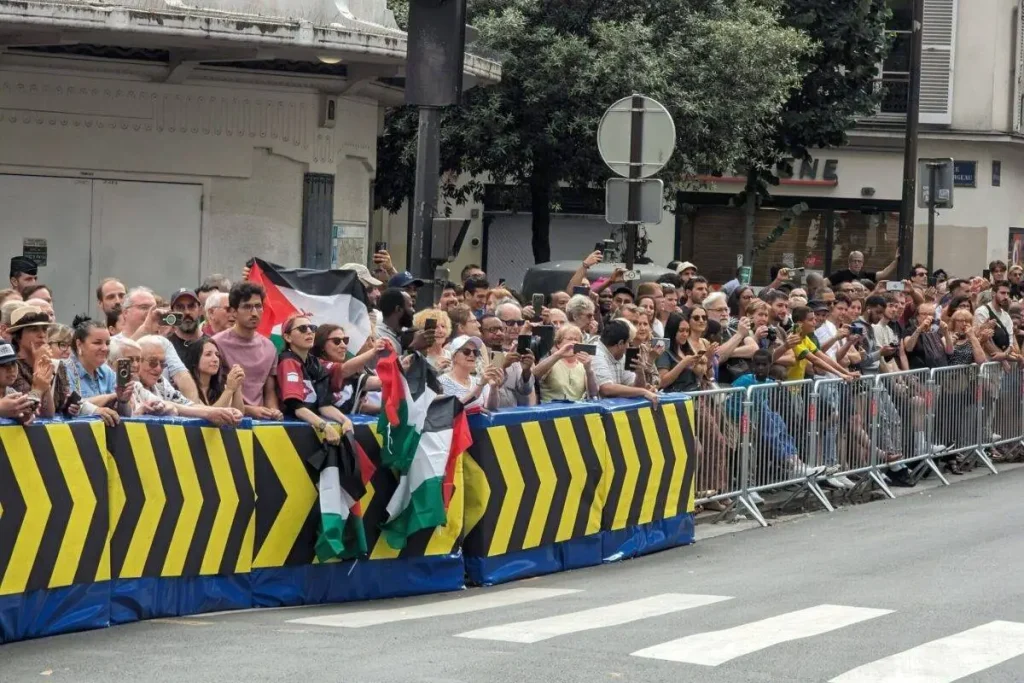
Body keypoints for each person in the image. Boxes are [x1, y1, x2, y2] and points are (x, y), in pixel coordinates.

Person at [274, 314, 354, 442]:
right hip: (290, 431)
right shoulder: (288, 361)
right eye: (303, 328)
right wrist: (324, 426)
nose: (310, 331)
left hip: (311, 427)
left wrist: (345, 420)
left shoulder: (315, 363)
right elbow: (295, 406)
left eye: (312, 328)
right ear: (288, 337)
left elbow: (324, 405)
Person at [134, 336, 242, 425]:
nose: (158, 369)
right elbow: (163, 404)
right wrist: (211, 412)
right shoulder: (131, 383)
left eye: (162, 364)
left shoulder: (160, 382)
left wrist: (226, 412)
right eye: (152, 362)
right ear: (137, 361)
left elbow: (188, 405)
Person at [213, 281, 283, 420]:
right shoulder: (216, 343)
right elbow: (212, 393)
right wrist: (249, 410)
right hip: (225, 421)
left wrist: (274, 411)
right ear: (233, 312)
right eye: (247, 307)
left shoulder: (269, 347)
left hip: (261, 424)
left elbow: (269, 392)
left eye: (258, 306)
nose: (254, 313)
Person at [117, 286, 199, 401]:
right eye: (144, 307)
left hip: (163, 405)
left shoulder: (162, 342)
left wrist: (194, 408)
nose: (151, 313)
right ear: (125, 313)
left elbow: (182, 376)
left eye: (153, 308)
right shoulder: (112, 342)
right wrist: (145, 328)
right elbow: (119, 356)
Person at [312, 324, 384, 414]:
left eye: (345, 341)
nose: (344, 346)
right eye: (336, 341)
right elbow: (343, 370)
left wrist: (401, 368)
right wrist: (374, 351)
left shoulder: (350, 370)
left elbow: (379, 382)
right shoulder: (315, 365)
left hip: (346, 426)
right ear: (322, 345)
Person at [63, 316, 123, 425]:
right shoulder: (64, 369)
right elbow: (71, 405)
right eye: (97, 343)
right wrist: (108, 398)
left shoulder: (107, 372)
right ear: (79, 344)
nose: (105, 348)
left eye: (107, 343)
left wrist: (124, 400)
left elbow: (124, 412)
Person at [591, 320, 656, 402]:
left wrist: (639, 373)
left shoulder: (621, 356)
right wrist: (643, 391)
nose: (629, 347)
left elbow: (635, 388)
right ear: (620, 343)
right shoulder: (596, 353)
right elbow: (606, 389)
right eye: (628, 342)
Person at [533, 323, 598, 402]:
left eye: (576, 340)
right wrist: (558, 355)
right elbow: (534, 375)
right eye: (570, 339)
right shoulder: (551, 361)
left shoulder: (583, 364)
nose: (574, 342)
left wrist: (589, 370)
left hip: (577, 409)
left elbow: (593, 393)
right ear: (558, 343)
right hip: (551, 409)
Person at [438, 335, 502, 410]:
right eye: (466, 351)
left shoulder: (479, 380)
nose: (472, 355)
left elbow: (492, 408)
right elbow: (453, 408)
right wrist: (480, 386)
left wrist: (494, 388)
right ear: (454, 356)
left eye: (475, 352)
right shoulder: (441, 382)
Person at [493, 301, 537, 407]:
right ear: (498, 322)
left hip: (516, 414)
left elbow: (526, 390)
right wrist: (503, 364)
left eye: (520, 322)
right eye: (510, 323)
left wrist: (526, 372)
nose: (516, 327)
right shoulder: (488, 348)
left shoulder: (521, 349)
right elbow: (489, 385)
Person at [184, 338, 244, 409]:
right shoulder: (185, 388)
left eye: (217, 355)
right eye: (208, 354)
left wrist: (237, 386)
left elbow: (239, 414)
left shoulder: (222, 386)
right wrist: (229, 389)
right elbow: (209, 416)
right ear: (194, 360)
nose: (215, 359)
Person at [0, 341, 40, 424]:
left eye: (13, 363)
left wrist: (26, 414)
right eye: (3, 364)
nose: (11, 369)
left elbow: (49, 413)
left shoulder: (10, 392)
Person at [827, 250, 898, 288]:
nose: (857, 263)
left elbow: (883, 274)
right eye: (854, 261)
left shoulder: (865, 275)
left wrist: (896, 261)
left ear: (862, 263)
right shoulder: (840, 274)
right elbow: (823, 283)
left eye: (859, 261)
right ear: (849, 262)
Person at [167, 288, 205, 360]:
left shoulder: (211, 345)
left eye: (191, 306)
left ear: (200, 310)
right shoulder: (165, 346)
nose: (187, 312)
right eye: (180, 307)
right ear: (172, 313)